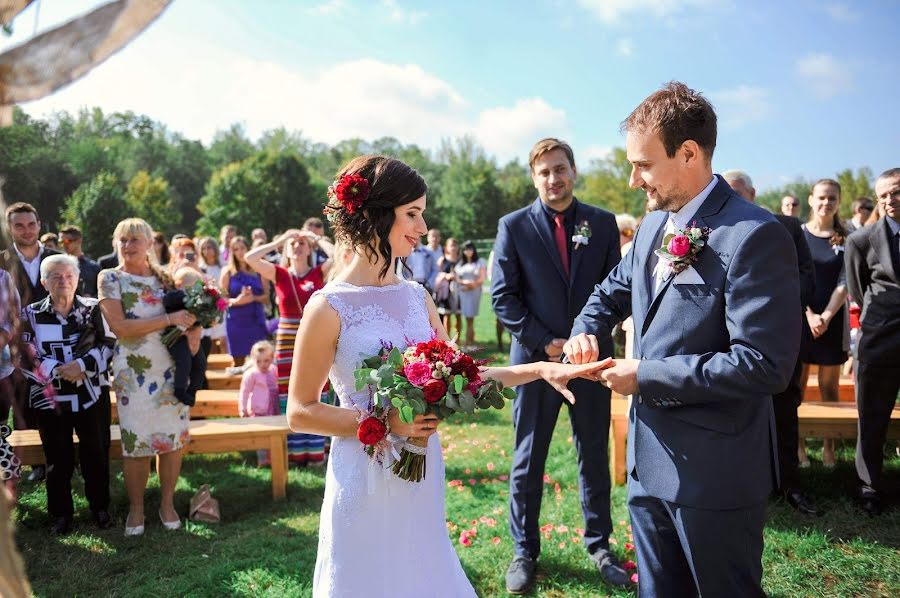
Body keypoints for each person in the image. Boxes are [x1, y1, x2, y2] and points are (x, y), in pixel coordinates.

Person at [286, 154, 613, 597]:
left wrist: (539, 369)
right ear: (375, 215)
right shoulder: (328, 307)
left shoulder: (418, 297)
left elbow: (468, 377)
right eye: (412, 215)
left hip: (422, 471)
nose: (422, 228)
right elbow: (300, 412)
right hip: (365, 476)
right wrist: (384, 423)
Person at [564, 82, 801, 597]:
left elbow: (763, 364)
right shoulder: (652, 228)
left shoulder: (755, 235)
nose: (632, 179)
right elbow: (608, 293)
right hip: (647, 466)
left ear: (688, 154)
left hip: (714, 474)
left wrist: (643, 377)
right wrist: (587, 330)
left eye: (643, 164)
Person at [491, 137, 626, 593]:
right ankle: (524, 551)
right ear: (535, 178)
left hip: (590, 362)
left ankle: (600, 544)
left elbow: (614, 291)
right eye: (544, 171)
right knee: (528, 458)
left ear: (574, 170)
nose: (554, 178)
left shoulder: (602, 223)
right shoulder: (513, 226)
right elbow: (503, 299)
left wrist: (583, 345)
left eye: (560, 168)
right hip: (533, 364)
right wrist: (546, 344)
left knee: (593, 453)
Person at [723, 169, 821, 516]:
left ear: (752, 193)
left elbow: (806, 275)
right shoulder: (719, 231)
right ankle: (746, 484)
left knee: (784, 410)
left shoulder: (786, 226)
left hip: (780, 338)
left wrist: (775, 306)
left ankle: (790, 485)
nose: (732, 197)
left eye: (738, 192)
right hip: (731, 344)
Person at [97, 218, 199, 536]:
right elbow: (120, 327)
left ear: (149, 245)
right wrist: (168, 317)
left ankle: (166, 503)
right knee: (136, 441)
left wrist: (196, 327)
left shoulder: (166, 279)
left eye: (135, 240)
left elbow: (190, 314)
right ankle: (137, 508)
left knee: (171, 439)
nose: (128, 246)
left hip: (171, 369)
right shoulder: (110, 278)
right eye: (123, 240)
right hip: (133, 371)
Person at [19, 255, 115, 535]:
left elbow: (109, 342)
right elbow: (24, 354)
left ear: (77, 279)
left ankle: (100, 508)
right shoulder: (31, 314)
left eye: (68, 276)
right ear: (43, 282)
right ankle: (61, 515)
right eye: (56, 276)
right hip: (50, 398)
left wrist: (83, 366)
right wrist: (58, 369)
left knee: (96, 453)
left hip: (91, 393)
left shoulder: (93, 309)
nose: (63, 281)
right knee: (57, 459)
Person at [246, 229, 333, 465]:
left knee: (317, 387)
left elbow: (339, 257)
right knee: (288, 390)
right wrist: (279, 240)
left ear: (309, 249)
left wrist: (317, 240)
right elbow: (250, 259)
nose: (297, 246)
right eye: (293, 243)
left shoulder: (318, 273)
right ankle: (294, 453)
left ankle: (316, 453)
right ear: (287, 248)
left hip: (314, 333)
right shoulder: (280, 273)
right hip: (286, 338)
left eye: (301, 243)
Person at [845, 167, 900, 516]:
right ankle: (870, 488)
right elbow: (857, 289)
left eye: (895, 192)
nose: (889, 200)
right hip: (879, 339)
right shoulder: (861, 239)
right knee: (873, 417)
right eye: (883, 195)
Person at [0, 202, 61, 481]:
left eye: (31, 224)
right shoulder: (1, 263)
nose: (26, 230)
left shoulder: (58, 259)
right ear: (9, 228)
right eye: (19, 225)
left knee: (56, 404)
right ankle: (33, 464)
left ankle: (61, 459)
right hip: (14, 348)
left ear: (39, 225)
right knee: (22, 407)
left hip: (55, 344)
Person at [798, 179, 849, 469]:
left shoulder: (845, 237)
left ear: (839, 202)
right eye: (821, 197)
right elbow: (794, 276)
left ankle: (830, 447)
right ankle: (801, 447)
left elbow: (845, 281)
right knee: (799, 387)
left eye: (831, 198)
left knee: (829, 387)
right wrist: (809, 315)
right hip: (803, 318)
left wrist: (826, 316)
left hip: (832, 320)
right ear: (811, 199)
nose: (825, 203)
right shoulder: (800, 235)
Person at [220, 236, 270, 366]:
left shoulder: (259, 269)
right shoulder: (227, 273)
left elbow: (266, 297)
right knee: (238, 361)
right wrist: (237, 301)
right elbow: (220, 301)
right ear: (232, 252)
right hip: (236, 321)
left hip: (255, 319)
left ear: (248, 248)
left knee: (260, 360)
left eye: (243, 248)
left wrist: (253, 298)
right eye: (236, 249)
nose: (240, 252)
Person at [198, 237, 227, 354]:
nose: (206, 251)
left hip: (222, 307)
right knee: (208, 341)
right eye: (203, 248)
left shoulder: (223, 267)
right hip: (207, 309)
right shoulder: (200, 268)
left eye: (209, 247)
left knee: (223, 339)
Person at [455, 241, 486, 351]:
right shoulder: (460, 264)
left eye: (470, 249)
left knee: (470, 319)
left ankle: (469, 344)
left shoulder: (479, 262)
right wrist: (464, 284)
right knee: (466, 318)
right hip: (463, 293)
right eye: (465, 249)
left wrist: (470, 286)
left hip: (474, 293)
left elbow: (482, 279)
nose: (468, 251)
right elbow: (457, 278)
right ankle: (469, 343)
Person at [58, 225, 101, 298]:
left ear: (79, 241)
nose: (63, 245)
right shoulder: (58, 267)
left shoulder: (93, 267)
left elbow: (102, 291)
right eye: (61, 242)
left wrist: (90, 298)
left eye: (67, 241)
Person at [239, 340, 278, 418]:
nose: (262, 364)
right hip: (257, 411)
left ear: (272, 358)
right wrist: (243, 409)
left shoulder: (274, 370)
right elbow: (244, 392)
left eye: (266, 360)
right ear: (253, 359)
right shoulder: (252, 374)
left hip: (273, 409)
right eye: (258, 361)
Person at [435, 237, 461, 340]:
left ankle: (457, 340)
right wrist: (445, 276)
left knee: (458, 316)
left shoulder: (461, 260)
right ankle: (447, 340)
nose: (453, 248)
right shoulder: (442, 260)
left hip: (458, 291)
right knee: (447, 315)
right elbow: (436, 274)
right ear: (447, 247)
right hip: (445, 291)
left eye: (455, 245)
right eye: (451, 245)